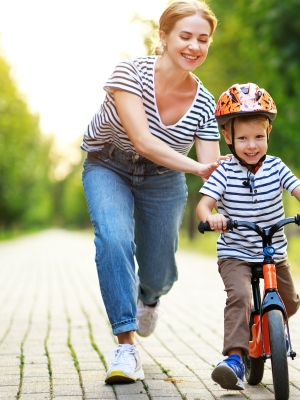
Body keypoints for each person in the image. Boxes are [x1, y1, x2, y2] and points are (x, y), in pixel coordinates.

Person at [81, 0, 225, 384]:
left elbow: (213, 170)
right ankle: (125, 347)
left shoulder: (205, 103)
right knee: (113, 239)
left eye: (203, 39)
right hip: (108, 164)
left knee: (159, 269)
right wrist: (196, 166)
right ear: (163, 36)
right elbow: (142, 141)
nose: (194, 46)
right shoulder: (128, 73)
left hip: (163, 178)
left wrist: (223, 204)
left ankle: (150, 297)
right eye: (186, 36)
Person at [196, 83, 300, 390]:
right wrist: (212, 218)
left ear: (269, 132)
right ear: (228, 138)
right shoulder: (224, 172)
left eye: (258, 136)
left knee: (290, 303)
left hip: (273, 252)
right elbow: (203, 205)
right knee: (239, 297)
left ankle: (269, 332)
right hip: (236, 253)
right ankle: (235, 359)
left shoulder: (277, 167)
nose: (251, 145)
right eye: (242, 138)